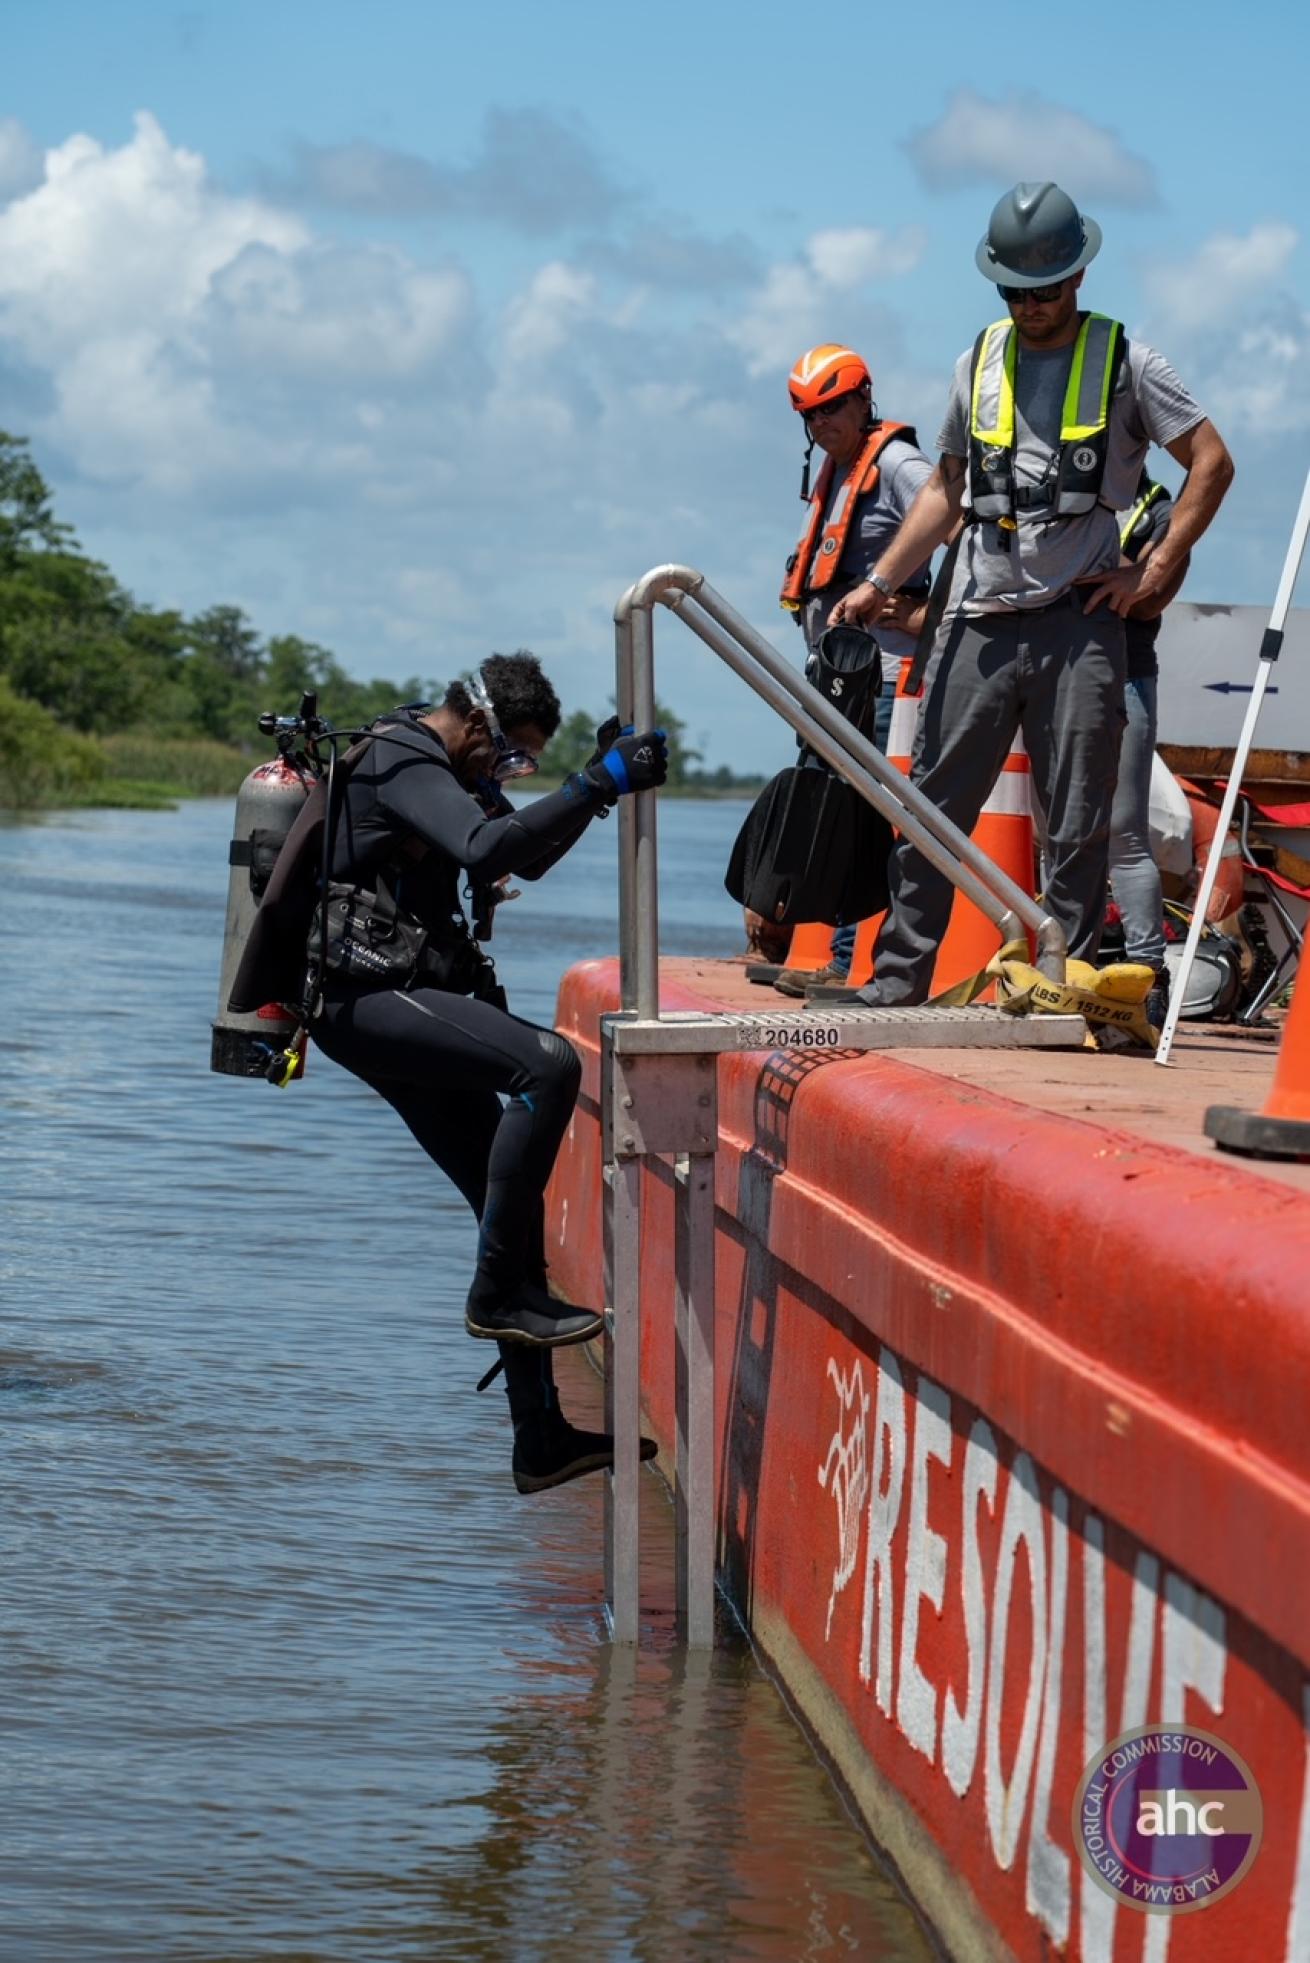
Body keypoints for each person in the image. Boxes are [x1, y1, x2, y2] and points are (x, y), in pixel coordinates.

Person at [819, 182, 1233, 1008]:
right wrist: (878, 582)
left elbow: (1212, 461)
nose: (1031, 303)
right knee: (933, 805)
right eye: (1014, 289)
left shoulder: (1128, 361)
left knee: (1077, 821)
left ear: (1079, 276)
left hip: (1079, 625)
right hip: (977, 621)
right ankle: (900, 978)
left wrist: (1153, 570)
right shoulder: (978, 361)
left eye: (1044, 288)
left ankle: (1065, 990)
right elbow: (945, 489)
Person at [305, 653, 668, 1494]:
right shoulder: (405, 758)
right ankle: (497, 1296)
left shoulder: (452, 767)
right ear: (475, 724)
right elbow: (481, 842)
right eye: (512, 757)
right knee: (547, 1063)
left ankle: (539, 1434)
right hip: (364, 997)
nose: (512, 775)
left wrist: (597, 784)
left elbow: (519, 855)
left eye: (526, 765)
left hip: (403, 994)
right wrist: (595, 781)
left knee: (505, 1200)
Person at [773, 344, 934, 994]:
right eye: (809, 415)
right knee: (832, 811)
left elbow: (951, 513)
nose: (821, 424)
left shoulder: (894, 460)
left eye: (832, 408)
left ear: (864, 396)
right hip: (837, 680)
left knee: (872, 814)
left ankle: (858, 960)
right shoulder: (836, 472)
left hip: (886, 679)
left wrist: (919, 608)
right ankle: (838, 954)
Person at [1108, 472, 1189, 1023]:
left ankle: (1147, 977)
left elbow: (1148, 601)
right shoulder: (1056, 486)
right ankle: (1068, 963)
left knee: (1123, 831)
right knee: (1059, 833)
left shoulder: (1160, 511)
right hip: (1053, 675)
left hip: (1126, 675)